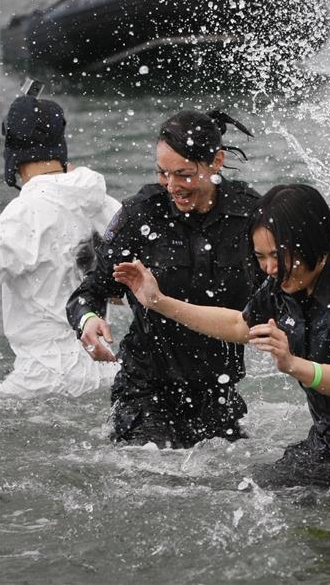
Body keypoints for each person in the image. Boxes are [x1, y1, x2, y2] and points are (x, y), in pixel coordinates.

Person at [112, 184, 330, 489]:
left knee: (280, 505)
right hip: (329, 444)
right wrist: (159, 302)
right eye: (261, 257)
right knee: (248, 491)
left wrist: (292, 364)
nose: (269, 268)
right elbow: (240, 325)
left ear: (311, 242)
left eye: (276, 256)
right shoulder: (289, 277)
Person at [66, 109, 259, 448]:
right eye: (163, 174)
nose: (172, 187)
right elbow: (90, 292)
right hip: (145, 389)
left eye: (184, 174)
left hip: (218, 390)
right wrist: (89, 320)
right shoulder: (141, 214)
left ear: (216, 161)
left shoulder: (250, 216)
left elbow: (291, 288)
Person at [0, 94, 120, 397]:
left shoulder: (22, 214)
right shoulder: (105, 205)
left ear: (11, 152)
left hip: (42, 378)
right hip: (107, 368)